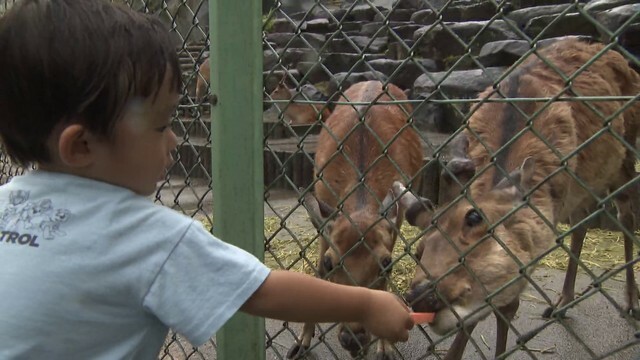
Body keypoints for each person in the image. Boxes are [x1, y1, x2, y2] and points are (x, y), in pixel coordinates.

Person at [0, 0, 414, 359]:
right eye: (162, 126)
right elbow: (262, 291)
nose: (176, 141)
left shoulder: (5, 203)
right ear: (82, 146)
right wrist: (365, 305)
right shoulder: (147, 236)